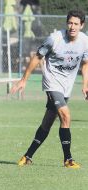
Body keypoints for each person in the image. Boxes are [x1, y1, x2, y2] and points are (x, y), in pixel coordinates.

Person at [11, 10, 88, 169]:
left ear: (82, 25)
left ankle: (27, 156)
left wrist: (86, 84)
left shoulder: (85, 42)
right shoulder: (55, 39)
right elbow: (37, 56)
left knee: (47, 123)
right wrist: (24, 79)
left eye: (75, 24)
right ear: (66, 23)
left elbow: (86, 63)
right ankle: (68, 159)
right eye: (70, 23)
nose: (72, 27)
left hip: (66, 86)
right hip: (52, 82)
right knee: (66, 116)